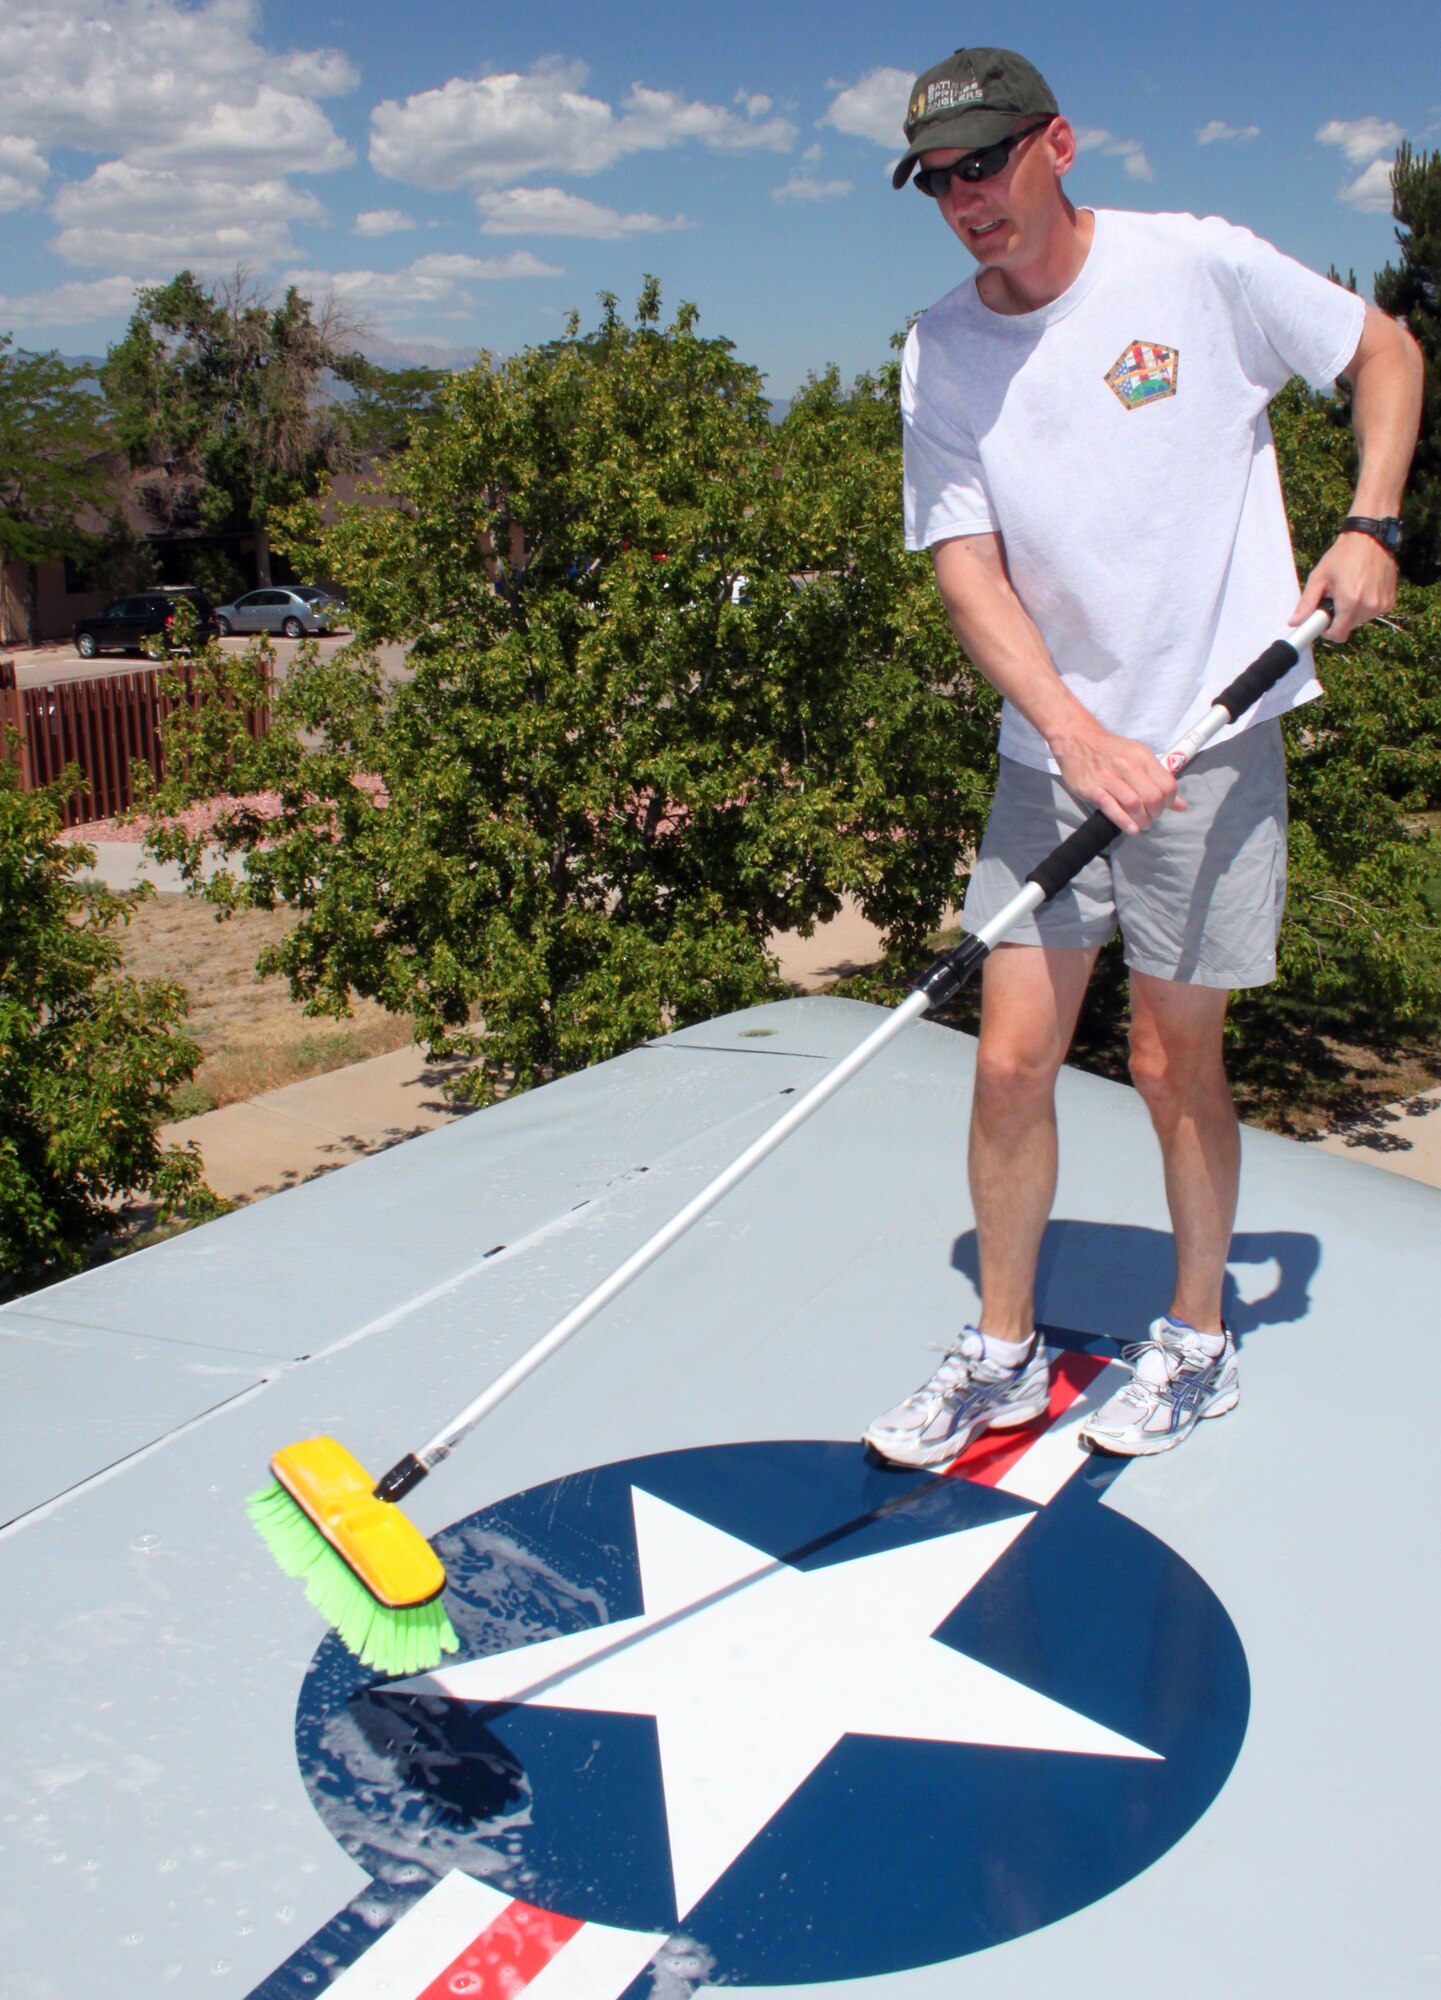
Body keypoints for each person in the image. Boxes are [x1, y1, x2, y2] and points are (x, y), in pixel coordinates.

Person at [863, 48, 1423, 1465]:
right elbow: (967, 567)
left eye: (981, 163)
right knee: (1005, 1063)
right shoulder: (938, 348)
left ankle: (1193, 1338)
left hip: (1210, 745)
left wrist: (1371, 522)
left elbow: (1385, 352)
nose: (962, 199)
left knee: (1173, 1065)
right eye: (936, 179)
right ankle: (1000, 1350)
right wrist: (1072, 734)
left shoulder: (1194, 269)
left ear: (1056, 145)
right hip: (1054, 753)